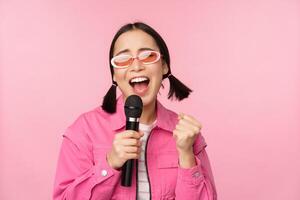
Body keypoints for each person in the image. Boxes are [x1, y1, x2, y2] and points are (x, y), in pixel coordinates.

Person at [53, 22, 217, 200]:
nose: (136, 66)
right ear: (114, 74)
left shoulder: (186, 134)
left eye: (147, 56)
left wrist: (186, 155)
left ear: (164, 66)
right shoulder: (84, 130)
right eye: (123, 59)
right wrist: (110, 164)